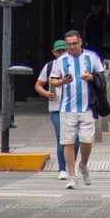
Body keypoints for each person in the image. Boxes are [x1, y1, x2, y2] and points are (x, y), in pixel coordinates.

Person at [49, 28, 104, 187]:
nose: (72, 47)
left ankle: (83, 165)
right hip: (67, 108)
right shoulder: (61, 61)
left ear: (80, 42)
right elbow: (53, 80)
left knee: (87, 140)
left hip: (87, 107)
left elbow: (101, 76)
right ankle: (72, 175)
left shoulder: (91, 57)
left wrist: (90, 77)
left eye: (74, 43)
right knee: (68, 142)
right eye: (69, 45)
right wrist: (62, 82)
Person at [33, 38, 71, 183]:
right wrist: (46, 93)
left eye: (64, 50)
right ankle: (62, 168)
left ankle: (70, 163)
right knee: (61, 137)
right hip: (55, 108)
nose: (61, 53)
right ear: (54, 52)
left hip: (72, 107)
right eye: (58, 51)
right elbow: (38, 85)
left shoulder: (72, 65)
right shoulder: (49, 67)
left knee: (76, 139)